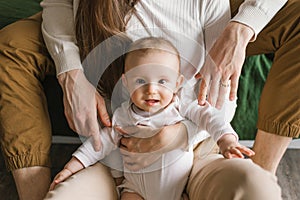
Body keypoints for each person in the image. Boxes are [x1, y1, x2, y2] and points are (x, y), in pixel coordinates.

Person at [0, 0, 297, 199]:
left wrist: (183, 136)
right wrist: (70, 71)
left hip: (195, 157)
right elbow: (101, 141)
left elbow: (214, 108)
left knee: (257, 189)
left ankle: (258, 168)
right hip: (121, 165)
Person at [49, 37, 255, 200]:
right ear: (126, 83)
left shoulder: (180, 108)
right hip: (135, 189)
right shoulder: (123, 115)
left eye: (163, 81)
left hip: (175, 189)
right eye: (140, 80)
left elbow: (211, 118)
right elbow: (99, 143)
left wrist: (227, 140)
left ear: (177, 83)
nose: (151, 90)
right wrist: (72, 166)